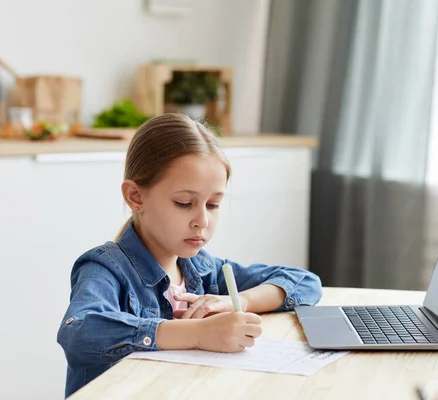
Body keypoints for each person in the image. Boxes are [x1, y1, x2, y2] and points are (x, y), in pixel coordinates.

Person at [57, 113, 323, 397]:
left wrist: (240, 300)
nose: (202, 220)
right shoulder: (105, 267)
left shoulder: (202, 268)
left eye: (213, 204)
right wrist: (198, 333)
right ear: (136, 197)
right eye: (184, 203)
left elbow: (305, 283)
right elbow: (79, 333)